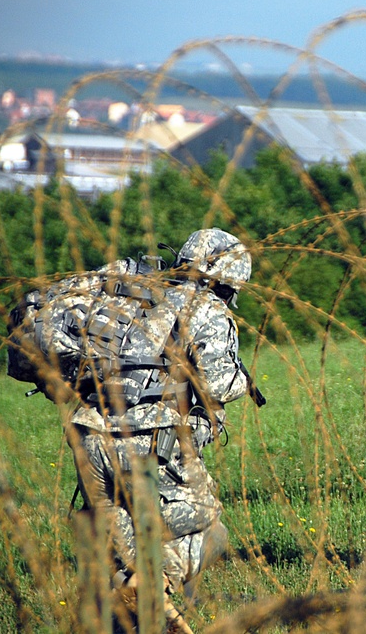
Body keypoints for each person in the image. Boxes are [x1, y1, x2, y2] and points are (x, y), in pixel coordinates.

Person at [65, 228, 256, 632]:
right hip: (148, 445)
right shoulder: (204, 307)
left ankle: (137, 601)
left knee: (124, 555)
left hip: (88, 436)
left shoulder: (131, 291)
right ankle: (154, 587)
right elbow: (220, 385)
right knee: (207, 523)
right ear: (228, 277)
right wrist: (244, 379)